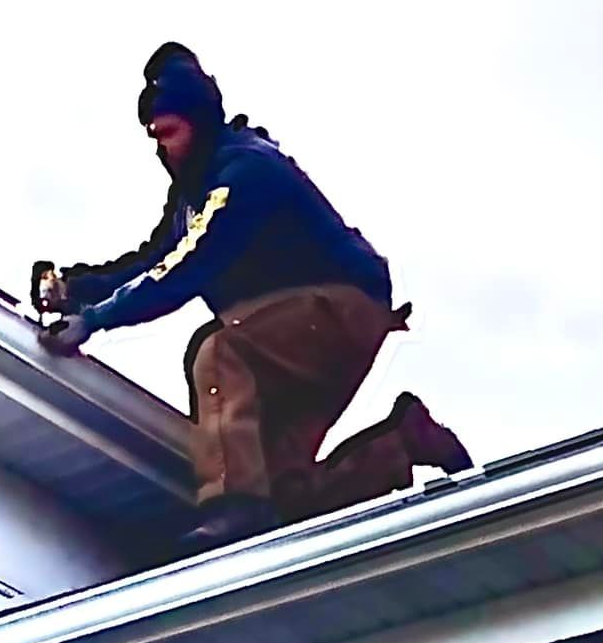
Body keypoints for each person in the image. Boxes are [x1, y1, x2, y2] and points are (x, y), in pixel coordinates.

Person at [36, 45, 472, 553]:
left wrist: (97, 320)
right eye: (154, 137)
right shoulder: (193, 197)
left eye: (170, 132)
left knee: (220, 352)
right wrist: (78, 289)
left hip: (337, 310)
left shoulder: (245, 171)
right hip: (298, 343)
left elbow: (190, 265)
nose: (163, 148)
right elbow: (156, 258)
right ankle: (402, 445)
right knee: (282, 492)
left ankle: (232, 507)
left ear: (198, 120)